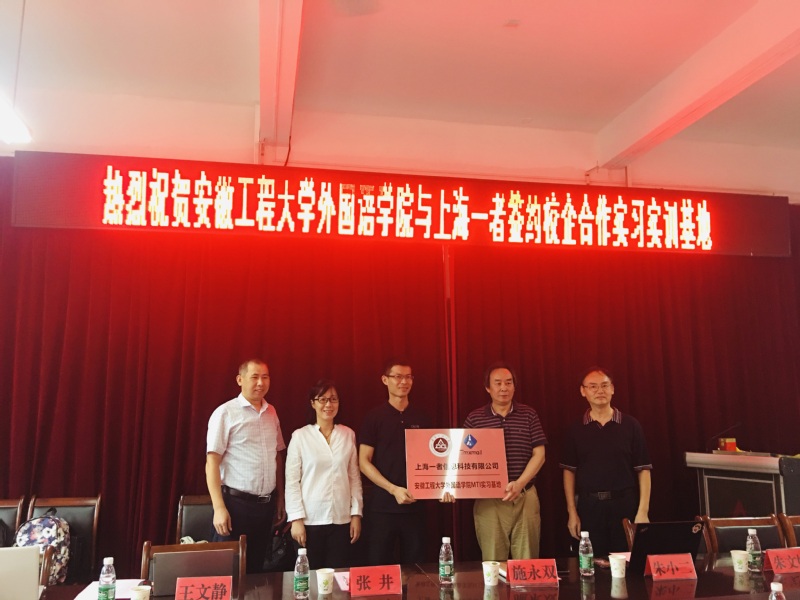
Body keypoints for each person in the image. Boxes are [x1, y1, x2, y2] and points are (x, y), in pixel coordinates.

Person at [560, 366, 652, 558]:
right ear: (583, 391)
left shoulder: (630, 425)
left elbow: (643, 470)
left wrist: (643, 511)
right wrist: (572, 512)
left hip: (624, 506)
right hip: (589, 507)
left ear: (613, 389)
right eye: (593, 386)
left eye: (604, 385)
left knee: (626, 563)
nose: (599, 391)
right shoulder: (575, 429)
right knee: (591, 565)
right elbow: (569, 472)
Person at [206, 358, 286, 573]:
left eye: (265, 377)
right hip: (235, 506)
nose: (260, 382)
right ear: (240, 380)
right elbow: (211, 463)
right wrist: (219, 508)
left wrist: (280, 498)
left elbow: (277, 456)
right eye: (254, 377)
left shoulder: (272, 412)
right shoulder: (225, 412)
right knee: (228, 572)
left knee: (256, 572)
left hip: (265, 507)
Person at [462, 362, 547, 561]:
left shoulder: (528, 414)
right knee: (493, 562)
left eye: (509, 383)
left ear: (514, 386)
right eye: (498, 383)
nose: (504, 388)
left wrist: (520, 484)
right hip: (488, 500)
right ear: (488, 388)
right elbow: (463, 458)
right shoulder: (475, 419)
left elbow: (540, 454)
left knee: (527, 561)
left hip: (525, 495)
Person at [358, 358, 433, 565]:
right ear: (385, 380)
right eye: (398, 377)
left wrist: (443, 488)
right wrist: (393, 489)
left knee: (417, 570)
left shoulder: (423, 417)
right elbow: (364, 462)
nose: (404, 382)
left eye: (408, 377)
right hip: (383, 507)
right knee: (380, 567)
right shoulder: (374, 417)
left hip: (416, 506)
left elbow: (435, 459)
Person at [285, 379, 363, 569]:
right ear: (313, 403)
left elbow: (354, 478)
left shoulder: (348, 434)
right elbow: (292, 481)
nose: (328, 404)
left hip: (341, 519)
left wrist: (356, 514)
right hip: (310, 519)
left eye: (333, 399)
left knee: (338, 576)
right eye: (322, 399)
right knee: (310, 577)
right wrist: (296, 519)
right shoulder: (300, 436)